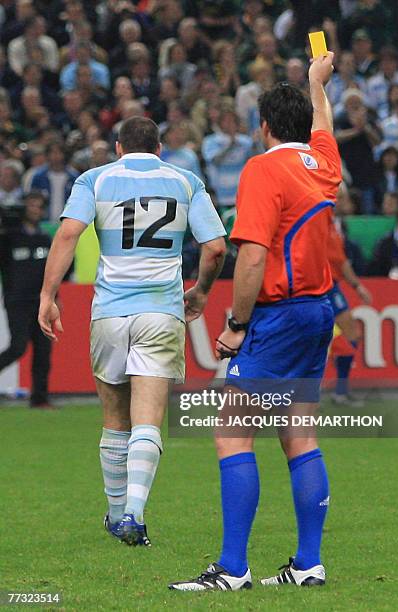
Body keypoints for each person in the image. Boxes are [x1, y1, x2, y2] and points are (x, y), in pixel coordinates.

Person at [170, 53, 340, 591]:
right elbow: (324, 128)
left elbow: (251, 257)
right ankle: (308, 562)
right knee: (299, 432)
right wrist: (318, 84)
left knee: (231, 434)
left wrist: (236, 323)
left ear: (263, 126)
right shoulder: (322, 165)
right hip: (318, 310)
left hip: (278, 314)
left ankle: (233, 569)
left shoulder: (263, 168)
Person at [38, 116, 226, 546]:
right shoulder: (185, 181)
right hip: (161, 312)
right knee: (148, 420)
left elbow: (68, 234)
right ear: (160, 149)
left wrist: (48, 295)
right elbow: (215, 247)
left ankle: (116, 511)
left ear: (119, 147)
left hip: (109, 312)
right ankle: (134, 516)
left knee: (114, 420)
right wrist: (199, 291)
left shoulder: (95, 179)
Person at [0, 191, 52, 408]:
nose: (34, 209)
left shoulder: (45, 239)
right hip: (17, 301)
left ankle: (39, 399)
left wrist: (54, 298)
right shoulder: (8, 239)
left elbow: (54, 271)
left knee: (43, 351)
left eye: (38, 206)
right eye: (30, 205)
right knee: (18, 347)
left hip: (41, 302)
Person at [327, 213, 372, 406]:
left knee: (340, 338)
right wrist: (358, 286)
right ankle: (340, 391)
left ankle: (340, 390)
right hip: (326, 286)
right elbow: (341, 261)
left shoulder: (329, 224)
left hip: (326, 285)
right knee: (350, 335)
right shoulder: (326, 226)